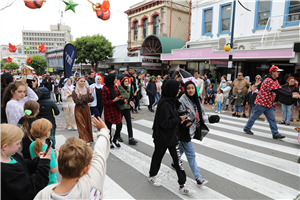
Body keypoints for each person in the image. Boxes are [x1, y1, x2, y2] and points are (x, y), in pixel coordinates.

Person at [34, 117, 110, 200]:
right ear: (87, 168)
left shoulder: (43, 195)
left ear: (59, 163)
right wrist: (104, 130)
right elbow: (99, 154)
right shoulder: (90, 183)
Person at [148, 79, 194, 195]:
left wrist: (182, 114)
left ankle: (182, 185)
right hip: (162, 138)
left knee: (178, 161)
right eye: (178, 88)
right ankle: (152, 175)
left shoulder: (172, 101)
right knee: (158, 157)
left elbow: (173, 115)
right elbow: (164, 123)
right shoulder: (164, 104)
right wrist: (179, 119)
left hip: (172, 137)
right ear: (171, 89)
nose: (179, 90)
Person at [244, 66, 300, 139]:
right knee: (254, 116)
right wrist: (291, 95)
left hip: (268, 104)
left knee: (272, 119)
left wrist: (291, 93)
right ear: (272, 72)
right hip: (261, 103)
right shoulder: (268, 80)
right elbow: (277, 91)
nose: (279, 73)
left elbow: (280, 89)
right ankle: (247, 128)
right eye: (277, 71)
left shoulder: (275, 81)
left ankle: (275, 134)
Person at [0, 124, 51, 200]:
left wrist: (40, 159)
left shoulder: (11, 155)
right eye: (17, 143)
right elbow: (31, 188)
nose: (19, 146)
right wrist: (44, 164)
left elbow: (27, 165)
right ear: (5, 147)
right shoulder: (6, 171)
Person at [176, 81, 210, 187]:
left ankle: (174, 161)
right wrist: (185, 122)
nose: (191, 90)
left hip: (191, 129)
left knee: (181, 148)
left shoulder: (196, 99)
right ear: (185, 90)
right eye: (188, 88)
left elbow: (201, 113)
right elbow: (180, 116)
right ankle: (198, 177)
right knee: (191, 154)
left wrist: (210, 119)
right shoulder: (181, 100)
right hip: (184, 131)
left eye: (192, 88)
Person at [29, 119, 59, 185]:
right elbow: (53, 170)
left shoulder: (32, 144)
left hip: (39, 179)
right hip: (50, 182)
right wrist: (56, 156)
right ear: (47, 132)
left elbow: (33, 159)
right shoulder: (48, 149)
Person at [102, 73, 123, 148]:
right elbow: (104, 102)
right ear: (111, 79)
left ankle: (115, 139)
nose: (116, 80)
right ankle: (109, 141)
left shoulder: (115, 87)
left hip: (116, 109)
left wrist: (120, 99)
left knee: (120, 125)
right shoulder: (105, 88)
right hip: (109, 110)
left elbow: (116, 97)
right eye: (115, 78)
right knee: (109, 127)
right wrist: (113, 101)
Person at [72, 77, 95, 143]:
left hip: (86, 109)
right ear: (78, 82)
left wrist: (90, 94)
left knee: (87, 124)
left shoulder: (87, 90)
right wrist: (80, 95)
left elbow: (91, 99)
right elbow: (77, 102)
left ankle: (83, 138)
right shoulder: (74, 91)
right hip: (78, 109)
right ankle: (85, 140)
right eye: (81, 81)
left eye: (84, 81)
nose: (83, 83)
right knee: (81, 124)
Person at [118, 77, 138, 145]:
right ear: (122, 82)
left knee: (129, 123)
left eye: (127, 81)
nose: (127, 82)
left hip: (127, 108)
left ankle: (130, 138)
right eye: (125, 81)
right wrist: (122, 101)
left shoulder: (129, 88)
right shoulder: (118, 88)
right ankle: (118, 136)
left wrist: (130, 102)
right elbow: (116, 99)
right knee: (119, 123)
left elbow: (130, 97)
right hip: (121, 108)